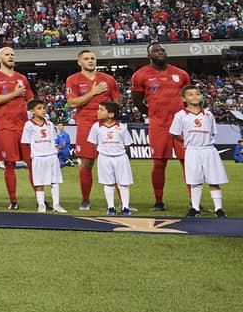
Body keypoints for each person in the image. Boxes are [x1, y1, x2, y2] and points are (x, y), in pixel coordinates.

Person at [131, 42, 191, 211]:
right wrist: (152, 113)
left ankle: (194, 202)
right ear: (149, 55)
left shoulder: (181, 74)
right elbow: (137, 100)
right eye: (156, 50)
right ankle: (158, 202)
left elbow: (190, 96)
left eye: (162, 50)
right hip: (159, 125)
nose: (160, 52)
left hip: (181, 125)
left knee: (188, 162)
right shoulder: (140, 75)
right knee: (159, 163)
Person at [65, 49, 121, 210]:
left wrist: (109, 115)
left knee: (114, 161)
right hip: (86, 124)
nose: (90, 61)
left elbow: (117, 102)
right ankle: (85, 200)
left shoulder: (108, 79)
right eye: (86, 58)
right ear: (79, 62)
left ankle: (123, 201)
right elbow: (72, 103)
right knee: (87, 162)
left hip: (107, 124)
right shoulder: (73, 79)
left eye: (92, 58)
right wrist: (93, 93)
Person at [0, 46, 33, 210]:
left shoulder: (22, 78)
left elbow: (30, 100)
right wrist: (15, 94)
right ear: (0, 58)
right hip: (5, 126)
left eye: (12, 54)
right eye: (7, 54)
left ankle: (40, 199)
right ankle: (13, 200)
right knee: (9, 163)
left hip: (24, 126)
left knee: (32, 162)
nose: (11, 56)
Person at [170, 85, 228, 217]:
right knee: (195, 181)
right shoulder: (180, 115)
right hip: (192, 151)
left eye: (197, 94)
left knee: (214, 180)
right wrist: (186, 141)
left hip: (208, 150)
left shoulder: (208, 114)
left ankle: (219, 209)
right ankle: (195, 208)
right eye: (190, 94)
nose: (195, 96)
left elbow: (213, 132)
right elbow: (174, 133)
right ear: (184, 98)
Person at [88, 100, 134, 216]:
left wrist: (117, 151)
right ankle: (111, 207)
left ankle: (125, 208)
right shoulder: (96, 127)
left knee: (123, 184)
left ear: (111, 114)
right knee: (108, 184)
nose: (98, 111)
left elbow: (127, 144)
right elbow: (94, 142)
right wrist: (103, 150)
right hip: (104, 158)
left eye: (101, 109)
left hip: (120, 158)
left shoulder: (121, 127)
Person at [22, 99, 66, 213]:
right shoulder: (29, 125)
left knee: (55, 181)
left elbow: (53, 139)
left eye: (43, 108)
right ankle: (41, 205)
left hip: (51, 156)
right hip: (38, 157)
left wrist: (54, 149)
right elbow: (26, 142)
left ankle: (56, 204)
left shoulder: (50, 124)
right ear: (32, 111)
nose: (43, 110)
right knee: (39, 182)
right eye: (39, 108)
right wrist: (37, 150)